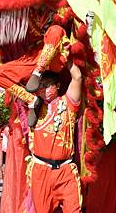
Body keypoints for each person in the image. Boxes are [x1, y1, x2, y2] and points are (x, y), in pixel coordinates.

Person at [27, 61, 83, 213]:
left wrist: (65, 57)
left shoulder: (68, 103)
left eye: (47, 85)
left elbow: (77, 76)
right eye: (40, 86)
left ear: (57, 86)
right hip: (40, 172)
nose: (43, 89)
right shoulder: (33, 106)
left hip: (66, 172)